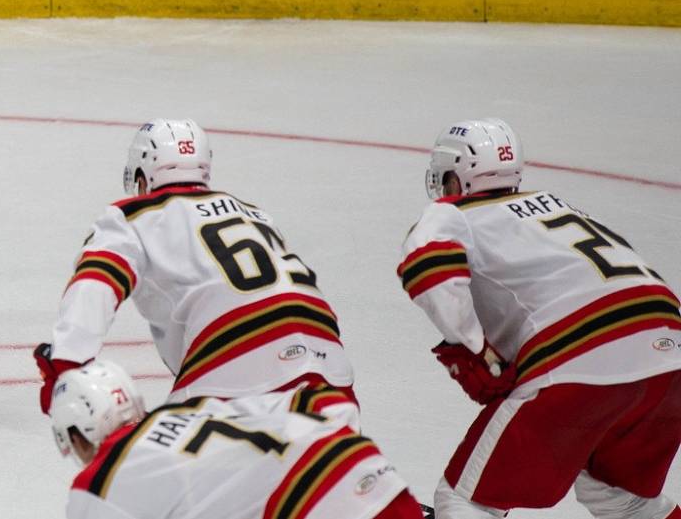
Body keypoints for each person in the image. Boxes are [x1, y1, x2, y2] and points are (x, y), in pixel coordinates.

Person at [399, 119, 681, 519]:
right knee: (622, 498)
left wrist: (475, 348)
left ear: (455, 177)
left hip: (581, 359)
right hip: (670, 358)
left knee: (468, 500)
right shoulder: (558, 206)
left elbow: (428, 272)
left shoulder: (453, 215)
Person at [34, 120, 359, 425]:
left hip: (233, 365)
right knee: (320, 477)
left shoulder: (133, 216)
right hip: (327, 363)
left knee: (170, 471)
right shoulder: (255, 214)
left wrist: (66, 364)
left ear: (143, 175)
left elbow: (96, 283)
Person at [49, 360, 422, 519]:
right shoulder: (195, 410)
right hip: (371, 473)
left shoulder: (100, 481)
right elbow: (323, 401)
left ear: (82, 429)